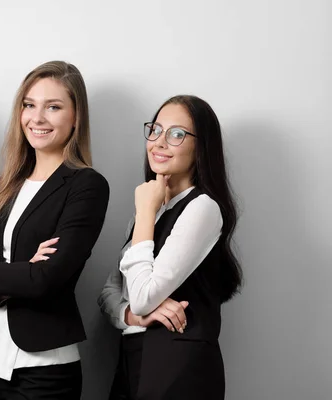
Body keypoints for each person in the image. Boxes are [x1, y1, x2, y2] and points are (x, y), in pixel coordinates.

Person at [0, 60, 110, 400]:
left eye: (54, 107)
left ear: (76, 117)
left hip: (45, 371)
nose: (38, 118)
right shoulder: (5, 185)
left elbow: (48, 279)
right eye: (29, 105)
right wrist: (20, 274)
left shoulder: (87, 185)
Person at [99, 95, 242, 399]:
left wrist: (147, 213)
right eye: (155, 130)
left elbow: (142, 296)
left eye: (177, 134)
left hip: (178, 369)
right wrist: (134, 316)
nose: (159, 142)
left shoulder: (202, 207)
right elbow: (108, 295)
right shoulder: (149, 209)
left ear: (200, 147)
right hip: (133, 360)